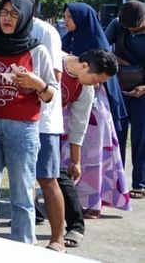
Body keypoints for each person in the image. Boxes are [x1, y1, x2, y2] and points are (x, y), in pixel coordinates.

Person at [0, 0, 57, 244]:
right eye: (3, 12)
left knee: (22, 195)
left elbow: (51, 95)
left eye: (14, 14)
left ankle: (23, 250)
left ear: (24, 18)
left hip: (23, 129)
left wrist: (38, 84)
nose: (7, 18)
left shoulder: (37, 50)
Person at [0, 0, 66, 252]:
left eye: (15, 8)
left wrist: (31, 82)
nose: (8, 14)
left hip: (44, 119)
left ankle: (57, 238)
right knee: (21, 184)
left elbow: (54, 77)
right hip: (11, 119)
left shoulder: (45, 32)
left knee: (47, 179)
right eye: (5, 8)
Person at [63, 2, 131, 218]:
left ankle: (93, 202)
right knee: (71, 153)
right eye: (64, 16)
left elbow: (103, 81)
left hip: (93, 108)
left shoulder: (97, 46)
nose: (66, 21)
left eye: (70, 17)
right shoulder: (65, 40)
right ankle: (71, 200)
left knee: (92, 156)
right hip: (71, 108)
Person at [58, 48, 119, 249]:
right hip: (25, 120)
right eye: (96, 79)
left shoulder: (86, 89)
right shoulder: (54, 60)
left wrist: (76, 161)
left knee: (57, 174)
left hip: (48, 129)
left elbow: (79, 124)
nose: (97, 84)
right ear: (85, 66)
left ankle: (76, 226)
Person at [105, 0, 145, 199]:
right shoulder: (117, 25)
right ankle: (116, 183)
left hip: (143, 91)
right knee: (117, 136)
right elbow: (102, 47)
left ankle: (140, 183)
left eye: (134, 27)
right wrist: (115, 60)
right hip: (119, 87)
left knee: (141, 137)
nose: (130, 29)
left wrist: (144, 87)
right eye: (126, 26)